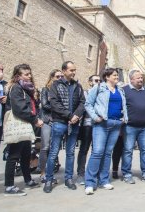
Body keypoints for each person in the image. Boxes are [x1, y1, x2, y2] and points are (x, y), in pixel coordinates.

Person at [84, 68, 128, 195]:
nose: (117, 77)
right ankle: (90, 182)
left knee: (108, 153)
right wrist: (95, 117)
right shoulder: (99, 88)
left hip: (116, 124)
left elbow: (123, 106)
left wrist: (124, 118)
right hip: (101, 124)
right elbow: (88, 104)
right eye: (114, 75)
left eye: (117, 75)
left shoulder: (120, 90)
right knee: (97, 152)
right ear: (107, 77)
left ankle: (103, 180)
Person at [43, 61, 85, 193]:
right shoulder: (55, 85)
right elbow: (54, 103)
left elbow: (82, 102)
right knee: (54, 152)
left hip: (74, 124)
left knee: (71, 152)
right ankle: (49, 179)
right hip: (59, 122)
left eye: (74, 70)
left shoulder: (78, 86)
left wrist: (77, 115)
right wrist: (69, 115)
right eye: (71, 70)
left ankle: (68, 179)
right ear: (64, 71)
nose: (73, 72)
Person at [4, 64, 43, 196]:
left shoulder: (27, 89)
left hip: (26, 125)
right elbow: (20, 109)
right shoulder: (16, 88)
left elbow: (32, 106)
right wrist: (35, 119)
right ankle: (9, 186)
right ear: (18, 76)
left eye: (29, 73)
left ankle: (28, 180)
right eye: (26, 74)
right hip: (19, 124)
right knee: (13, 156)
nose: (29, 76)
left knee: (26, 154)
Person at [120, 70, 145, 184]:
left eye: (141, 78)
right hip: (129, 127)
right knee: (128, 151)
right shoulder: (124, 90)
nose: (141, 80)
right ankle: (126, 174)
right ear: (131, 79)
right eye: (138, 78)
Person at [37, 69, 62, 184]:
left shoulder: (62, 91)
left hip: (58, 121)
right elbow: (45, 105)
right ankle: (43, 173)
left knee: (54, 148)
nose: (60, 78)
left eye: (61, 76)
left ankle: (50, 173)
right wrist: (57, 107)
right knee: (45, 147)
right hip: (47, 120)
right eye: (57, 76)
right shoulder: (45, 89)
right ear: (51, 77)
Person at [76, 74, 100, 185]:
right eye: (96, 80)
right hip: (87, 125)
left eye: (99, 80)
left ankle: (93, 173)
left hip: (99, 125)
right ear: (90, 82)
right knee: (84, 149)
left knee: (97, 151)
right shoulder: (85, 93)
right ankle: (81, 174)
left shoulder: (102, 94)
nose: (98, 82)